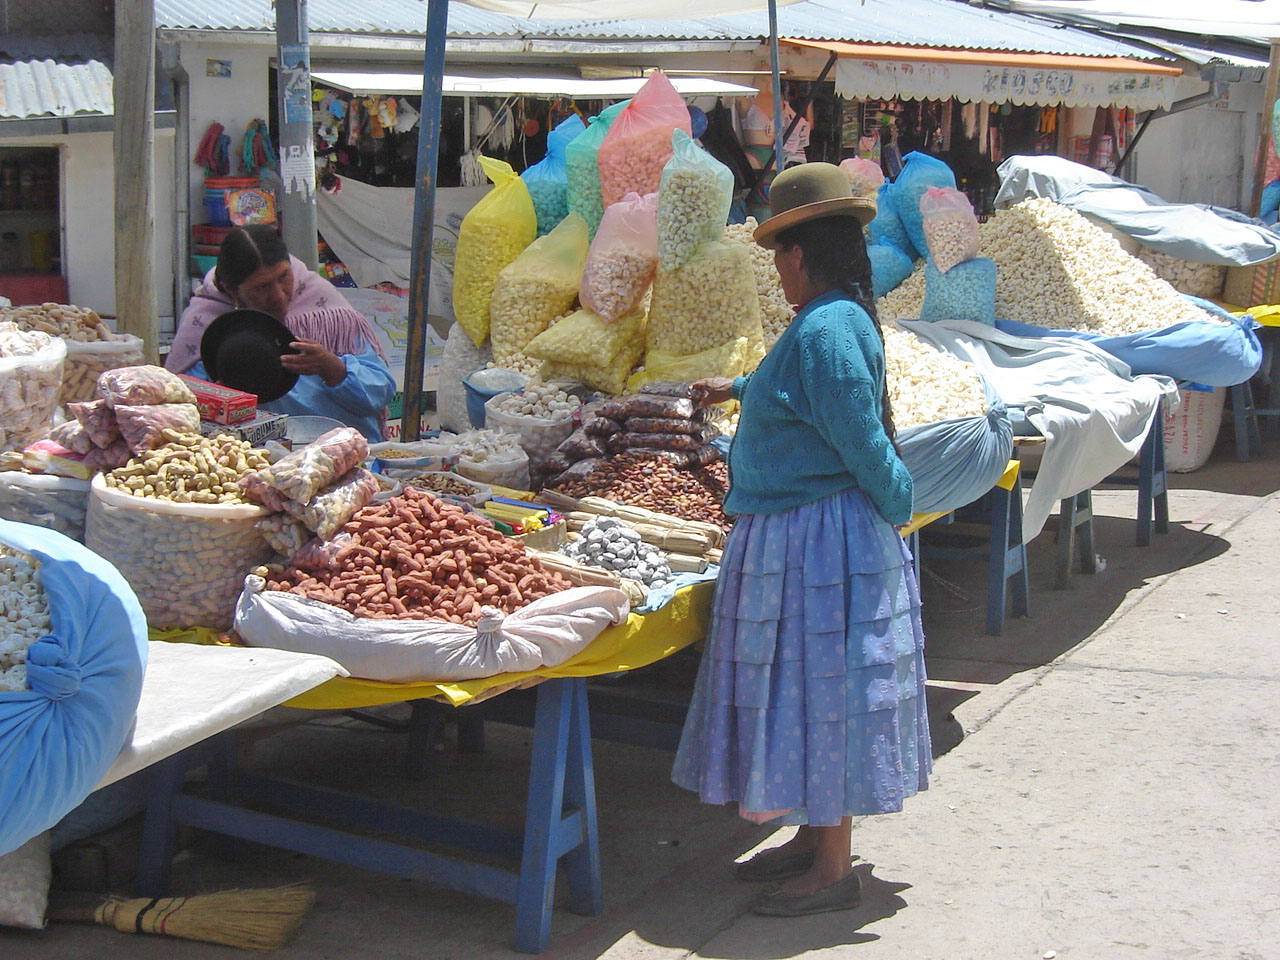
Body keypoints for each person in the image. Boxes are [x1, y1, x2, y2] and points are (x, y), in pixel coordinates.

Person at [671, 162, 930, 917]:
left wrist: (899, 505)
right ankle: (815, 839)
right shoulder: (826, 322)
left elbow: (860, 438)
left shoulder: (828, 328)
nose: (777, 266)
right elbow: (802, 390)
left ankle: (833, 870)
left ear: (804, 253)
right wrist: (738, 389)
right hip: (801, 538)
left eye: (782, 251)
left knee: (826, 697)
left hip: (823, 546)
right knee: (806, 695)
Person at [166, 225, 395, 441]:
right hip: (258, 463)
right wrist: (220, 397)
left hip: (347, 452)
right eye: (262, 287)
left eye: (284, 277)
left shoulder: (328, 314)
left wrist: (332, 367)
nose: (278, 295)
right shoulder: (206, 325)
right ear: (230, 289)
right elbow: (182, 411)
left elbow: (380, 393)